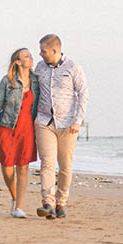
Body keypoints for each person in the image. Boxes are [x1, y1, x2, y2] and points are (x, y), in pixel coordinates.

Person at [33, 33, 87, 219]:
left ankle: (61, 202)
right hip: (44, 122)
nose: (40, 54)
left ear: (54, 50)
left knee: (65, 166)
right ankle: (48, 202)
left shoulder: (73, 68)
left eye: (43, 51)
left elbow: (83, 94)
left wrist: (77, 121)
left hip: (67, 125)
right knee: (47, 163)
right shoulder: (39, 68)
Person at [0, 47, 39, 218]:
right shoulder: (7, 81)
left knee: (23, 168)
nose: (31, 58)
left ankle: (19, 207)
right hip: (6, 127)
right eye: (26, 56)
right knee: (8, 169)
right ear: (17, 61)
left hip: (27, 130)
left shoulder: (36, 81)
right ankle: (14, 197)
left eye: (30, 56)